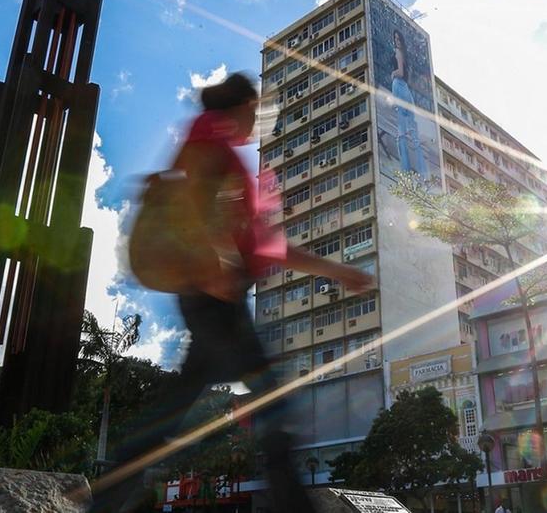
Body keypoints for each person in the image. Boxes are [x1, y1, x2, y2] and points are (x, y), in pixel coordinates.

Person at [92, 73, 374, 513]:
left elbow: (269, 248)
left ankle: (106, 500)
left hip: (216, 294)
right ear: (244, 104)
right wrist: (212, 265)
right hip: (216, 294)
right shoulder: (210, 135)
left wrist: (337, 270)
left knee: (178, 403)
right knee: (272, 403)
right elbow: (190, 197)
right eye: (256, 109)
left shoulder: (228, 156)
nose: (259, 119)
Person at [389, 29, 427, 178]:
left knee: (402, 133)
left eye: (399, 39)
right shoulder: (404, 54)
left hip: (398, 85)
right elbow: (407, 76)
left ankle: (405, 172)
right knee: (413, 133)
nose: (397, 41)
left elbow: (400, 72)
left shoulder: (398, 52)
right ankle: (423, 173)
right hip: (406, 91)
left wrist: (393, 74)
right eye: (395, 39)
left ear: (401, 41)